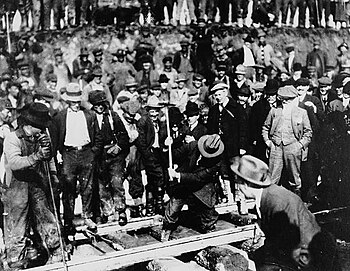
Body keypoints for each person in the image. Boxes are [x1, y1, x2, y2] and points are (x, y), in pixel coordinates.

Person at [230, 155, 340, 271]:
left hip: (314, 254)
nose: (238, 186)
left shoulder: (277, 202)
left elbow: (289, 244)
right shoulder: (266, 196)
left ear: (246, 185)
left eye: (238, 181)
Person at [3, 103, 62, 268]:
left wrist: (53, 174)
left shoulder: (42, 136)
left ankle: (56, 251)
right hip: (16, 185)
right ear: (30, 125)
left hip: (36, 181)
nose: (44, 129)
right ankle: (16, 261)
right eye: (41, 126)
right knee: (17, 223)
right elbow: (14, 163)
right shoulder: (13, 138)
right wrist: (36, 156)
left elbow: (49, 158)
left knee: (45, 217)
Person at [51, 83, 103, 236]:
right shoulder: (60, 117)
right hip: (69, 154)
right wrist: (59, 154)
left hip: (86, 153)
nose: (75, 105)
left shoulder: (89, 115)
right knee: (68, 189)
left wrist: (93, 153)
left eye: (77, 102)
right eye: (72, 102)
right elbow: (56, 139)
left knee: (88, 187)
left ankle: (87, 216)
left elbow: (98, 137)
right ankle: (68, 221)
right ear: (67, 102)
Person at [161, 134, 224, 241]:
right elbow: (176, 155)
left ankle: (209, 227)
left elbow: (198, 178)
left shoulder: (216, 162)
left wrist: (178, 175)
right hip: (183, 184)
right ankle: (167, 228)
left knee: (208, 212)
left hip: (202, 186)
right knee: (173, 209)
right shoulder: (192, 145)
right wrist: (167, 148)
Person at [262, 85, 312, 196]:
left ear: (294, 99)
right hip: (276, 147)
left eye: (288, 99)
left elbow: (308, 132)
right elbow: (265, 127)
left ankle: (296, 200)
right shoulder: (274, 111)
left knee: (294, 177)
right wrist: (268, 142)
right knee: (272, 177)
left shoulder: (301, 112)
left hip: (292, 147)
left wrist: (299, 145)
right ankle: (271, 202)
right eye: (283, 99)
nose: (285, 101)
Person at [89, 90, 130, 225]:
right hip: (98, 156)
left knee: (116, 182)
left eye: (102, 104)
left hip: (114, 155)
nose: (100, 107)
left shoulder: (113, 116)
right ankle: (108, 212)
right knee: (102, 186)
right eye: (96, 105)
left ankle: (121, 210)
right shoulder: (89, 117)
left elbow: (124, 136)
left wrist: (118, 147)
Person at [249, 79, 279, 163]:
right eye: (269, 94)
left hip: (277, 141)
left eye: (273, 94)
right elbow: (253, 124)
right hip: (261, 140)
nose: (271, 97)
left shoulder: (281, 105)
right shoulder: (258, 106)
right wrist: (254, 139)